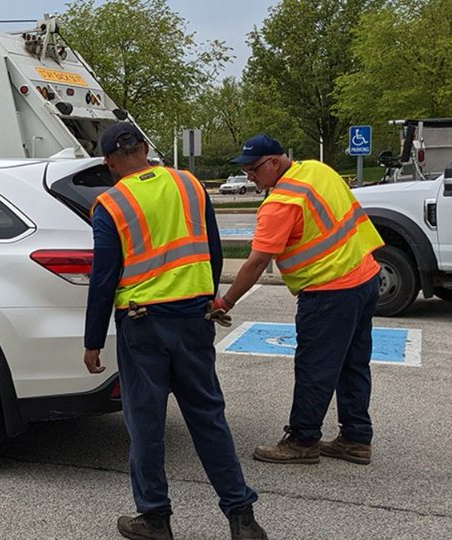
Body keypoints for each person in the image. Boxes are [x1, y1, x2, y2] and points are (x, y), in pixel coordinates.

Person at [83, 123, 266, 540]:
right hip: (193, 319)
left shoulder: (110, 204)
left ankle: (154, 519)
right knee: (208, 418)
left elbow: (104, 279)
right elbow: (213, 250)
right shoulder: (190, 185)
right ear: (145, 149)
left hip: (143, 324)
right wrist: (208, 297)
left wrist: (93, 340)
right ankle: (242, 518)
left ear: (110, 163)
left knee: (145, 425)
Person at [216, 134, 384, 466]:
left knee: (315, 368)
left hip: (329, 291)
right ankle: (356, 438)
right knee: (353, 363)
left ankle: (303, 440)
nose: (249, 176)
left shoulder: (281, 202)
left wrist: (226, 301)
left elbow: (256, 262)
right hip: (364, 277)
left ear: (274, 162)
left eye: (253, 169)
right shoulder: (317, 170)